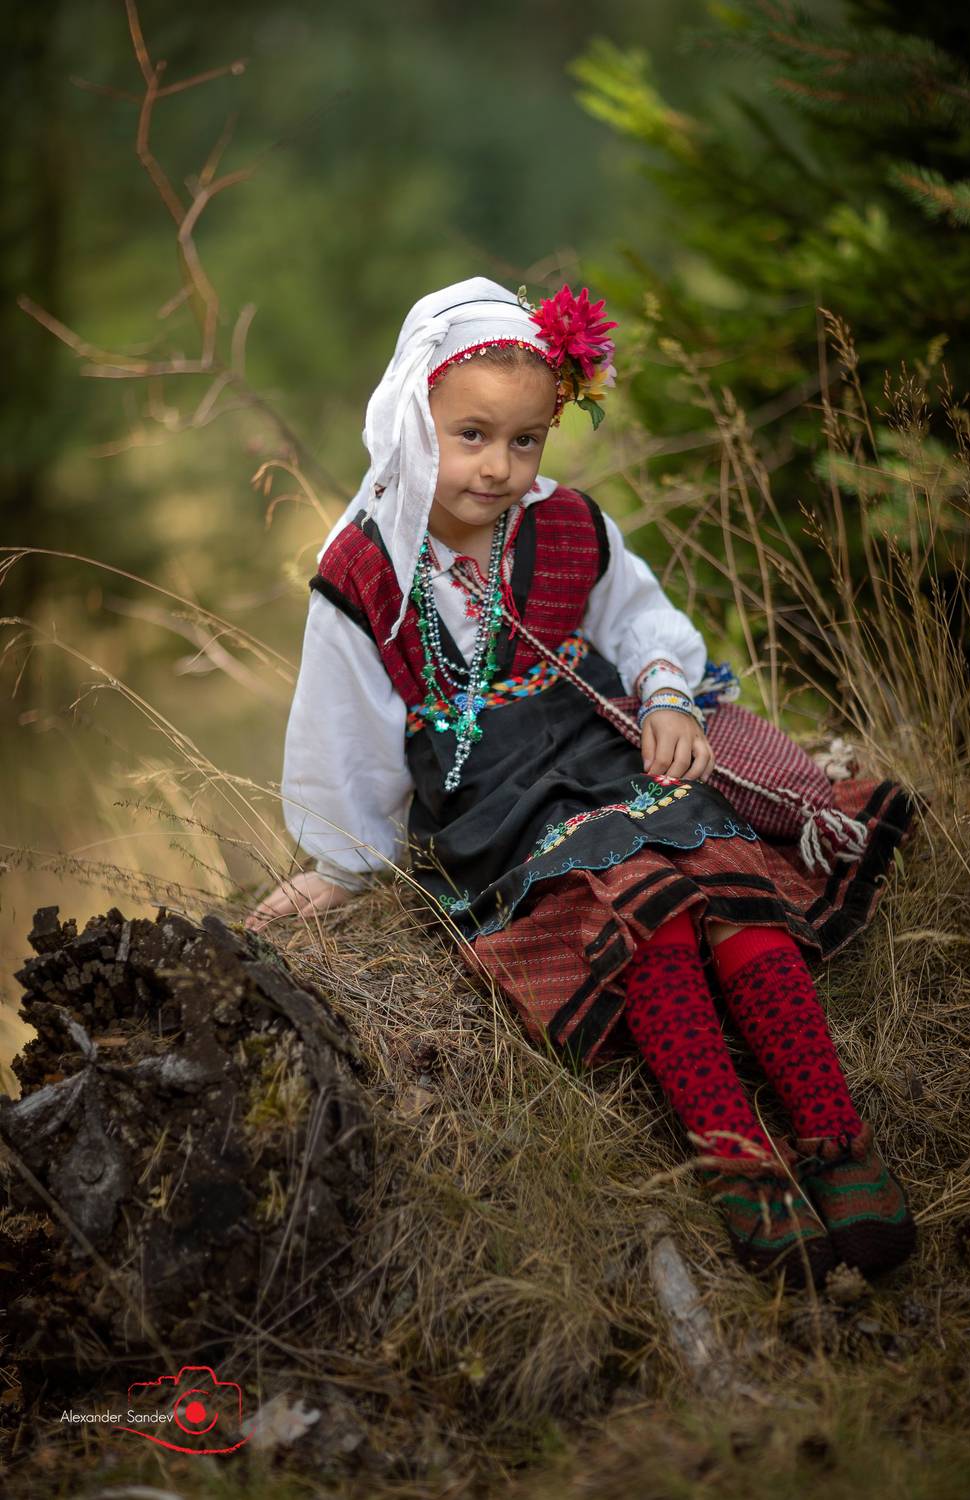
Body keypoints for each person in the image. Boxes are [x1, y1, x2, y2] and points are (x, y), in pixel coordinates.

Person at [248, 277, 916, 1287]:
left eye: (525, 441)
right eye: (470, 435)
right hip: (499, 793)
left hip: (605, 746)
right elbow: (351, 728)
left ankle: (834, 1133)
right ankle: (736, 1155)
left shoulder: (566, 528)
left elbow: (641, 622)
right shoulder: (368, 569)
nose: (499, 466)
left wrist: (665, 698)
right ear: (410, 420)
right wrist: (343, 861)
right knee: (648, 918)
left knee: (720, 890)